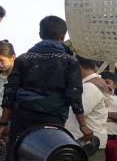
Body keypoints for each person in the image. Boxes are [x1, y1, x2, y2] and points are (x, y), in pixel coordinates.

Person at [0, 16, 91, 153]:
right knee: (49, 157)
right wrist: (83, 125)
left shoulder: (23, 59)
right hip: (53, 122)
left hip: (22, 120)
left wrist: (3, 123)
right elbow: (74, 95)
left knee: (18, 159)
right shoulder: (70, 61)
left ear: (40, 34)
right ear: (62, 36)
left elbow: (10, 92)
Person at [64, 56, 110, 161]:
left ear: (79, 68)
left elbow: (80, 111)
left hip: (88, 143)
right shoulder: (94, 84)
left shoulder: (91, 87)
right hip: (91, 141)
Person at [0, 40, 15, 161]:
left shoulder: (21, 79)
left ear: (13, 57)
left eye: (2, 60)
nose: (0, 64)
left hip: (11, 126)